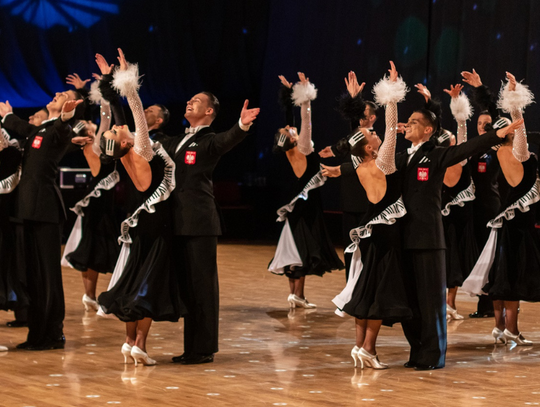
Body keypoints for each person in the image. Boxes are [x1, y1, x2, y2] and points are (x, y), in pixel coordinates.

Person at [397, 87, 522, 370]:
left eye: (414, 122)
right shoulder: (404, 157)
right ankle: (416, 351)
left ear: (428, 131)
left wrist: (496, 135)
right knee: (413, 302)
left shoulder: (437, 154)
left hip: (429, 239)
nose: (408, 125)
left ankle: (433, 355)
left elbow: (467, 149)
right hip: (406, 237)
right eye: (408, 121)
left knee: (431, 302)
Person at [97, 49, 183, 366]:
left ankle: (129, 342)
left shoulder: (125, 153)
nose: (119, 127)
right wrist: (129, 83)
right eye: (116, 132)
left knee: (131, 281)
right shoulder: (141, 150)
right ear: (123, 142)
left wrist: (111, 79)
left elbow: (121, 118)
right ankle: (141, 344)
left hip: (139, 228)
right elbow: (133, 113)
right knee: (149, 287)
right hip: (156, 227)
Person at [167, 87, 260, 365]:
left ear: (209, 111)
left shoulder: (208, 141)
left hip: (200, 223)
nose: (188, 102)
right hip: (177, 222)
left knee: (202, 288)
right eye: (189, 98)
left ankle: (203, 348)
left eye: (195, 101)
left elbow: (226, 140)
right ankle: (191, 347)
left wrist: (241, 125)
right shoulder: (176, 141)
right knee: (187, 288)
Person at [329, 62, 412, 369]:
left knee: (365, 292)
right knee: (379, 295)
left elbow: (378, 135)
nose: (375, 135)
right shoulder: (383, 164)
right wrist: (391, 95)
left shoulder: (360, 166)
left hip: (370, 234)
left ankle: (360, 347)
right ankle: (369, 349)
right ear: (368, 147)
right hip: (385, 235)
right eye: (370, 135)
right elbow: (391, 128)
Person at [0, 89, 84, 350]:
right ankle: (38, 333)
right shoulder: (39, 130)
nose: (57, 93)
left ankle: (52, 333)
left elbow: (58, 127)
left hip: (45, 210)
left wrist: (67, 114)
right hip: (28, 210)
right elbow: (26, 129)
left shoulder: (59, 130)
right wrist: (8, 116)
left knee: (47, 276)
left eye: (63, 94)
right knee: (33, 276)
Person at [462, 72, 538, 345]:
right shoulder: (517, 153)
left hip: (506, 219)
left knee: (501, 275)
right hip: (517, 224)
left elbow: (502, 124)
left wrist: (485, 90)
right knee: (512, 277)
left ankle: (499, 327)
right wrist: (515, 100)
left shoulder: (497, 151)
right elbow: (519, 127)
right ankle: (512, 330)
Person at [268, 72, 344, 309]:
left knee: (292, 250)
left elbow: (290, 126)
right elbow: (305, 123)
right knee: (301, 251)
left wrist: (289, 96)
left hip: (294, 212)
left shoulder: (286, 153)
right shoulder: (304, 148)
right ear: (292, 139)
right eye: (289, 131)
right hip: (307, 211)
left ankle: (295, 294)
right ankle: (298, 295)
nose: (292, 129)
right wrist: (305, 98)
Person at [62, 62, 122, 311]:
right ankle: (90, 295)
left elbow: (104, 119)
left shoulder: (100, 142)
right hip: (97, 209)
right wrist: (103, 91)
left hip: (106, 206)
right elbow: (104, 118)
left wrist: (97, 90)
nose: (92, 125)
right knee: (92, 252)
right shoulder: (93, 144)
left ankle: (93, 296)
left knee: (100, 252)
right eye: (88, 126)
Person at [319, 71, 375, 281]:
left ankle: (367, 290)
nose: (361, 116)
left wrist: (338, 166)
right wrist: (354, 100)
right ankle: (351, 290)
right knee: (350, 249)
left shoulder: (377, 139)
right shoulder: (355, 137)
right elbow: (352, 135)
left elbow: (363, 159)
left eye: (364, 112)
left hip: (369, 202)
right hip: (350, 200)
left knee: (368, 250)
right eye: (358, 112)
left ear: (372, 118)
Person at [461, 68, 500, 319]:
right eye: (479, 124)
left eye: (487, 124)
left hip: (492, 209)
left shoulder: (497, 146)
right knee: (478, 258)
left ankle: (495, 305)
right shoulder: (473, 149)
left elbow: (495, 116)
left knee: (492, 259)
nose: (483, 127)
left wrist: (480, 90)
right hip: (475, 210)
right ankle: (483, 305)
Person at [438, 85, 478, 320]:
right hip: (451, 224)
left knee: (450, 261)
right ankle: (448, 303)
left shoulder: (442, 162)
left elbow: (461, 134)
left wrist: (458, 108)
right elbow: (462, 132)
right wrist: (459, 113)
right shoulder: (453, 161)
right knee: (452, 261)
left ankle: (448, 303)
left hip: (454, 223)